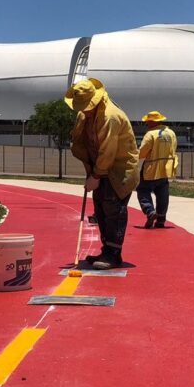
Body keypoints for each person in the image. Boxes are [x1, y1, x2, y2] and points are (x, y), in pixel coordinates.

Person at [65, 78, 139, 269]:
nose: (84, 110)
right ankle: (107, 250)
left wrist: (96, 176)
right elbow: (83, 144)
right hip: (100, 168)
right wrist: (91, 172)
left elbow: (108, 150)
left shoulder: (110, 116)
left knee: (113, 208)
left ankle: (113, 254)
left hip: (119, 170)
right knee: (101, 209)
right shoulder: (86, 115)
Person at [136, 110, 178, 228]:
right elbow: (173, 149)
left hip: (151, 168)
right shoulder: (171, 133)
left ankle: (150, 211)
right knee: (162, 193)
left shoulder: (150, 134)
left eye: (148, 122)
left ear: (152, 122)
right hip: (165, 169)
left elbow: (142, 153)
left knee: (143, 190)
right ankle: (160, 219)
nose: (147, 125)